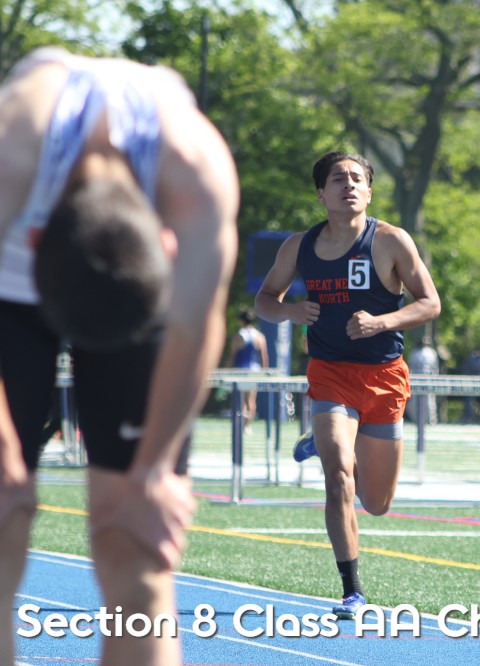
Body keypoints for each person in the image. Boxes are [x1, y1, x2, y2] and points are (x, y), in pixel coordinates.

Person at [0, 47, 239, 665]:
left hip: (130, 280)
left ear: (167, 242)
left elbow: (195, 326)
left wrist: (153, 471)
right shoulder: (11, 148)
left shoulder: (197, 171)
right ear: (32, 237)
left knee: (135, 543)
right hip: (9, 294)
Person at [254, 150, 440, 619]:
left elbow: (430, 303)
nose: (349, 185)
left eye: (358, 178)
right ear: (322, 194)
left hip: (384, 376)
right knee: (338, 477)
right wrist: (291, 311)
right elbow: (264, 300)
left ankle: (324, 440)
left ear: (369, 192)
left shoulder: (391, 241)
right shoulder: (299, 247)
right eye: (339, 179)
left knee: (376, 502)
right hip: (330, 372)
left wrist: (382, 322)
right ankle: (352, 591)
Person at [226, 309, 270, 431]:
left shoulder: (238, 336)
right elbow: (264, 357)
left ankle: (240, 424)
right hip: (254, 371)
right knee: (251, 400)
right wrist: (265, 372)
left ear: (241, 321)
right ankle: (247, 426)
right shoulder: (260, 336)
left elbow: (232, 356)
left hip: (240, 370)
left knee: (240, 400)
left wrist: (228, 370)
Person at [406, 335, 440, 425]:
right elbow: (410, 367)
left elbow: (435, 367)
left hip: (428, 380)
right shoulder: (414, 353)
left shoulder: (432, 353)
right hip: (416, 380)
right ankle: (416, 420)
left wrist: (434, 379)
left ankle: (431, 421)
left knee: (430, 401)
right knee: (414, 402)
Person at [460, 346, 480, 423]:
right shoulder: (472, 357)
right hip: (469, 383)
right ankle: (468, 418)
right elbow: (466, 366)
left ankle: (471, 418)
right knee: (468, 400)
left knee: (470, 401)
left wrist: (476, 359)